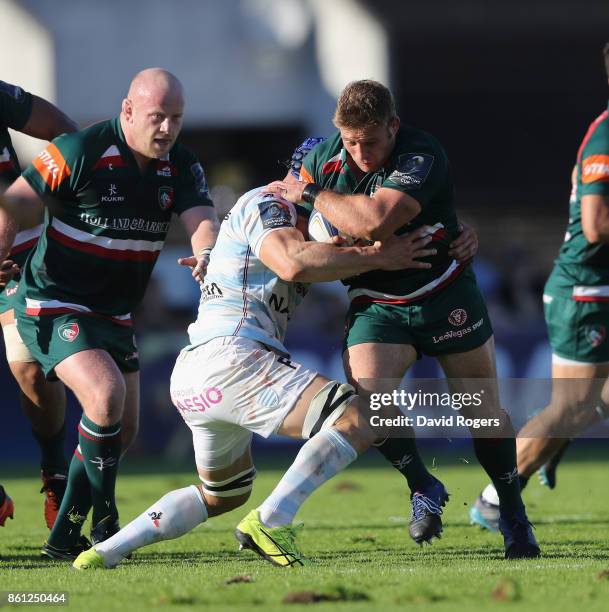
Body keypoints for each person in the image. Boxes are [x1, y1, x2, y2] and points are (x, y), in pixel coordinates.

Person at [70, 147, 438, 570]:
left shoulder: (301, 221)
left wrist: (454, 239)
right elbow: (292, 263)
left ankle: (107, 551)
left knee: (223, 493)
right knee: (360, 416)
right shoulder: (269, 202)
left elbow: (338, 256)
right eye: (332, 174)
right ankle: (272, 520)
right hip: (234, 357)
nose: (336, 186)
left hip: (200, 372)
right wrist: (376, 255)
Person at [267, 80, 539, 558]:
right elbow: (283, 227)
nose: (361, 153)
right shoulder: (317, 158)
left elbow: (375, 221)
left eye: (371, 141)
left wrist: (312, 193)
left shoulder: (421, 153)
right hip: (376, 303)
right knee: (371, 407)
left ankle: (513, 515)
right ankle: (421, 485)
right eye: (350, 142)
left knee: (482, 412)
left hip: (444, 292)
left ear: (393, 126)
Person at [0, 68, 219, 560]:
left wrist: (207, 251)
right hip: (52, 299)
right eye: (157, 117)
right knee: (105, 395)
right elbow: (15, 201)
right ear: (127, 111)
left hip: (115, 311)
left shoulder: (181, 164)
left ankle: (61, 542)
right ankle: (105, 519)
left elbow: (201, 217)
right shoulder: (81, 151)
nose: (166, 129)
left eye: (176, 119)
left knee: (123, 430)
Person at [470, 42, 609, 531]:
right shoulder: (606, 135)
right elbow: (595, 225)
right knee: (572, 405)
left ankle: (555, 441)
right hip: (586, 291)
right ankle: (493, 498)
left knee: (585, 405)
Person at [0, 80, 77, 529]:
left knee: (27, 365)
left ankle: (55, 471)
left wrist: (36, 190)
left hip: (18, 254)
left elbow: (67, 136)